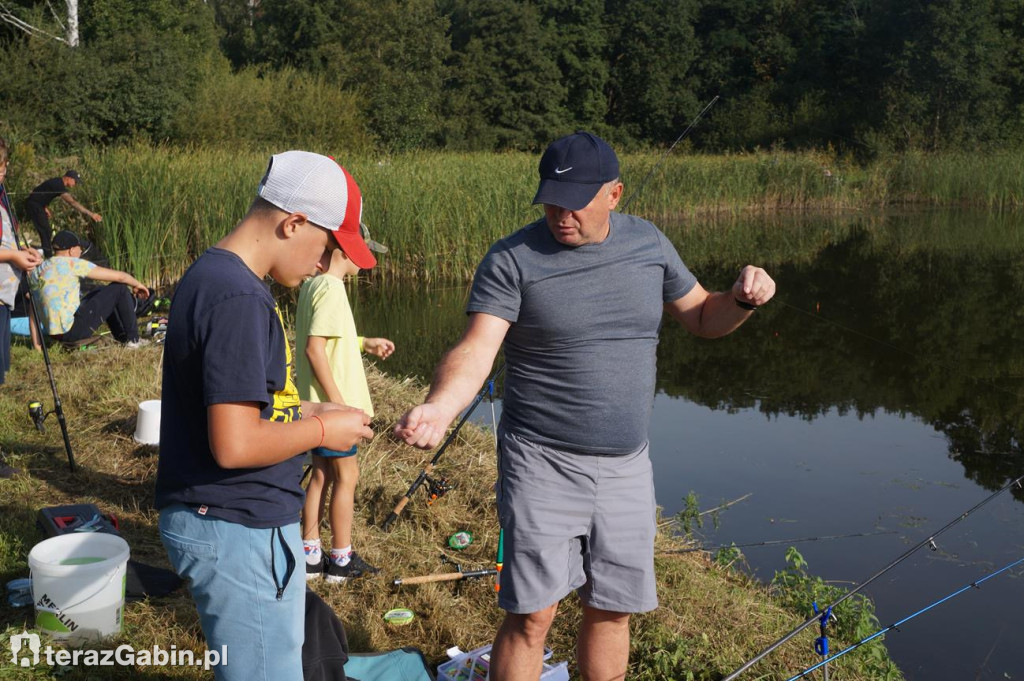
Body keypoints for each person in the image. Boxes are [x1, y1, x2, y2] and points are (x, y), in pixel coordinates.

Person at [395, 131, 776, 681]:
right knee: (532, 615)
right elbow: (477, 349)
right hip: (540, 462)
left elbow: (701, 318)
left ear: (614, 194)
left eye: (573, 202)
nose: (559, 214)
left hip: (626, 466)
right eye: (550, 199)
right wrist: (439, 407)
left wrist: (740, 300)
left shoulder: (649, 244)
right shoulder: (513, 258)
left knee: (612, 608)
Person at [155, 150, 375, 681]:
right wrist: (323, 430)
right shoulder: (239, 298)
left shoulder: (216, 274)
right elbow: (234, 445)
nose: (324, 265)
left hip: (225, 520)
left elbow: (230, 399)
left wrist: (304, 408)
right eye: (325, 248)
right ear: (292, 223)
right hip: (235, 526)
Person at [297, 221, 393, 583]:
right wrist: (340, 407)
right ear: (347, 250)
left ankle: (309, 555)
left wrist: (364, 342)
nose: (365, 260)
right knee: (347, 477)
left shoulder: (313, 285)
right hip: (332, 411)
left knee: (321, 475)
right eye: (364, 252)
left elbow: (326, 338)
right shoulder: (333, 289)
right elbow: (314, 350)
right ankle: (340, 559)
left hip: (314, 406)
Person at [34, 230, 150, 347]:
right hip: (72, 332)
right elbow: (121, 277)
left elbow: (32, 309)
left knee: (100, 290)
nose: (81, 251)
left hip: (54, 334)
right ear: (72, 250)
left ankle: (121, 337)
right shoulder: (72, 263)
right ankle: (134, 340)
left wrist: (37, 344)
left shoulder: (41, 268)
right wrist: (138, 285)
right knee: (120, 289)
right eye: (80, 248)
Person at [0, 138, 43, 384]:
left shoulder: (2, 203)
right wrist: (14, 256)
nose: (2, 177)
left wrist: (23, 250)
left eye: (3, 171)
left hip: (5, 297)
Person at [25, 169, 102, 257]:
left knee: (47, 231)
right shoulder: (59, 185)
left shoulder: (57, 182)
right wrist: (91, 214)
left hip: (38, 205)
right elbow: (72, 202)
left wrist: (44, 206)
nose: (75, 184)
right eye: (75, 181)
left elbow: (40, 191)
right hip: (34, 206)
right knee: (46, 231)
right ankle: (48, 256)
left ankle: (47, 252)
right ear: (69, 178)